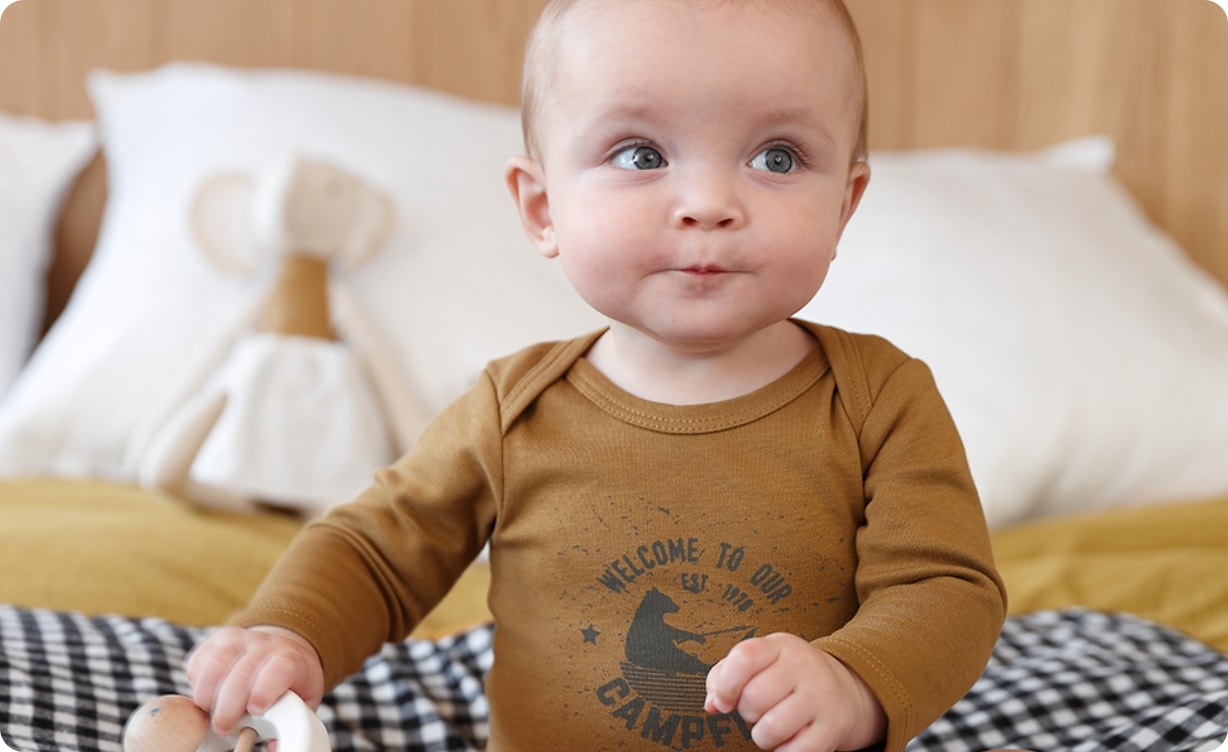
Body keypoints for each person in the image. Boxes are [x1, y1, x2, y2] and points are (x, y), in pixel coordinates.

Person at [185, 1, 1008, 750]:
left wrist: (858, 682)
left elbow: (946, 588)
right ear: (543, 208)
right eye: (642, 152)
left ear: (845, 206)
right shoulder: (514, 410)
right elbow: (375, 551)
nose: (708, 202)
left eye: (778, 156)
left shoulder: (881, 400)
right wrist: (288, 633)